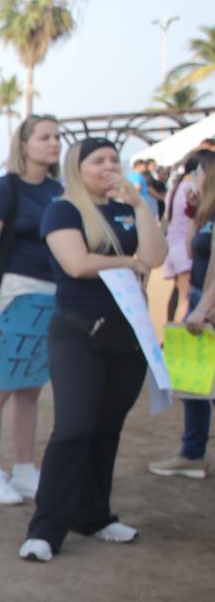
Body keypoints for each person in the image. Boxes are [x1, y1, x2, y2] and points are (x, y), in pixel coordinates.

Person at [19, 138, 167, 562]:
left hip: (128, 335)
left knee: (107, 427)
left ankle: (95, 515)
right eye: (98, 160)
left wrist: (141, 207)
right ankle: (46, 529)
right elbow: (77, 264)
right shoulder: (63, 209)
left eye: (113, 160)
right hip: (79, 333)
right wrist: (128, 262)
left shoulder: (128, 208)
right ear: (77, 167)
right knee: (74, 428)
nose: (108, 167)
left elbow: (154, 256)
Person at [0, 115, 64, 505]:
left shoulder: (59, 190)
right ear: (24, 144)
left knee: (30, 389)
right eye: (44, 137)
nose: (53, 143)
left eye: (57, 137)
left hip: (52, 296)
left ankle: (25, 468)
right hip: (14, 295)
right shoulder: (5, 189)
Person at [150, 150, 215, 479]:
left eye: (198, 173)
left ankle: (194, 452)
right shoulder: (207, 212)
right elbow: (191, 251)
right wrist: (194, 212)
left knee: (208, 384)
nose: (194, 179)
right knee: (195, 385)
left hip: (208, 306)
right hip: (200, 299)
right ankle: (192, 453)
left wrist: (202, 308)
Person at [161, 153, 200, 321]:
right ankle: (176, 339)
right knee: (186, 300)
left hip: (174, 247)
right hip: (185, 249)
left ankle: (172, 335)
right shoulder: (191, 188)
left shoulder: (176, 187)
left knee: (179, 295)